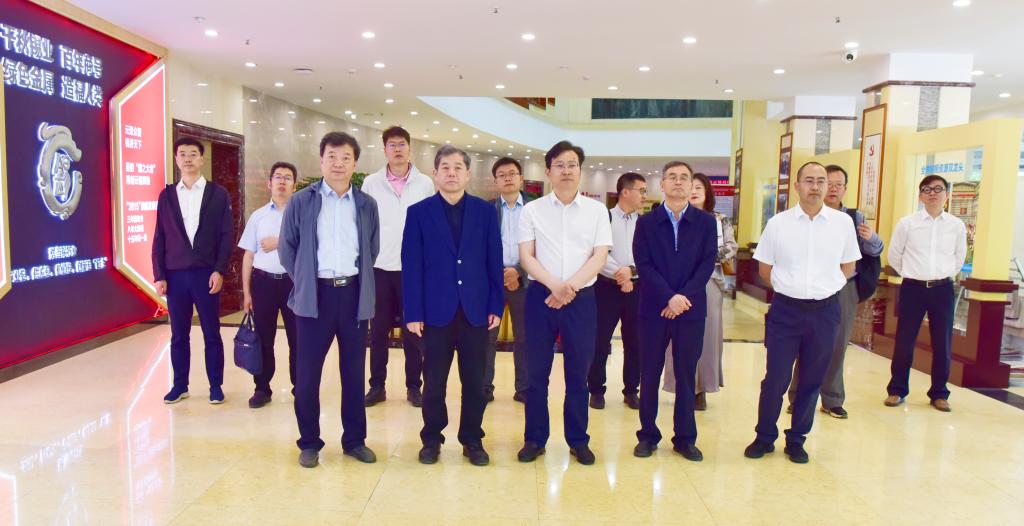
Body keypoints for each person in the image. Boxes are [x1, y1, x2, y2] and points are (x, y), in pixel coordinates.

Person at [743, 162, 860, 464]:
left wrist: (825, 287)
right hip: (786, 311)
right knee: (776, 378)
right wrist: (790, 288)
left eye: (821, 181)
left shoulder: (842, 224)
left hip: (825, 312)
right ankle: (764, 436)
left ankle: (797, 439)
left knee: (812, 378)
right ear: (797, 186)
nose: (816, 186)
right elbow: (765, 269)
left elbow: (849, 266)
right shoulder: (778, 224)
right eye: (809, 180)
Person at [278, 132, 380, 468]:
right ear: (321, 160)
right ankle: (309, 442)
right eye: (332, 157)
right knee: (307, 376)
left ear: (355, 163)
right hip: (314, 297)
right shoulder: (301, 201)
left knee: (353, 374)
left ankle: (354, 441)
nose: (338, 163)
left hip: (352, 296)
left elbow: (372, 248)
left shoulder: (366, 205)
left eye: (346, 157)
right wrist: (306, 280)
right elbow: (286, 248)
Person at [402, 146, 504, 466]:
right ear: (435, 174)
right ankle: (432, 438)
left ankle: (472, 439)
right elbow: (411, 265)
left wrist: (495, 304)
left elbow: (494, 261)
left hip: (475, 310)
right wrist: (413, 312)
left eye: (458, 167)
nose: (451, 173)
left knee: (475, 381)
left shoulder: (485, 213)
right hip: (434, 312)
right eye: (445, 167)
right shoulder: (419, 213)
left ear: (468, 174)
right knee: (434, 382)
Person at [516, 140, 612, 466]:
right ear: (548, 171)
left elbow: (600, 256)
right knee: (536, 374)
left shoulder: (597, 211)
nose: (566, 170)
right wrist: (555, 286)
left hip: (581, 300)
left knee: (578, 375)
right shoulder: (532, 210)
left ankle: (578, 440)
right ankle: (534, 439)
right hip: (540, 297)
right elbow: (526, 256)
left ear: (580, 170)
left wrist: (569, 287)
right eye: (559, 165)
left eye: (572, 164)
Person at [632, 162, 717, 462]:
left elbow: (706, 264)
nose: (678, 182)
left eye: (684, 178)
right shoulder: (646, 222)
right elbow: (643, 264)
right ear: (662, 185)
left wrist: (682, 298)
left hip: (690, 310)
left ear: (692, 184)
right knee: (649, 373)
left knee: (685, 375)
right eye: (672, 177)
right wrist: (669, 297)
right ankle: (647, 435)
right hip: (654, 309)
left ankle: (685, 438)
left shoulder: (706, 223)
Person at [786, 164, 884, 418]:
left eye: (839, 185)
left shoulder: (853, 218)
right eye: (828, 183)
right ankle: (798, 397)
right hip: (808, 288)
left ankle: (832, 398)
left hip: (844, 287)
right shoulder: (802, 216)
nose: (832, 189)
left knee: (838, 344)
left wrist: (871, 238)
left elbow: (873, 250)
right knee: (806, 343)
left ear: (844, 189)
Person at [153, 137, 234, 405]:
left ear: (201, 159)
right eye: (182, 154)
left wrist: (220, 270)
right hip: (175, 276)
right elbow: (159, 237)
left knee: (212, 332)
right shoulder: (166, 196)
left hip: (206, 274)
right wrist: (159, 275)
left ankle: (215, 386)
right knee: (179, 335)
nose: (187, 159)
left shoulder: (218, 194)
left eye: (192, 154)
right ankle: (180, 385)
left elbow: (226, 235)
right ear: (176, 159)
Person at [361, 126, 435, 407]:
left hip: (413, 270)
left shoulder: (424, 183)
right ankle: (377, 386)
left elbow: (430, 225)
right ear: (384, 150)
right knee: (378, 332)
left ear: (410, 148)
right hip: (379, 267)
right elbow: (364, 224)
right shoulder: (371, 183)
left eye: (402, 144)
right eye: (392, 145)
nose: (397, 149)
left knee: (413, 332)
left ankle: (414, 386)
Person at [885, 174, 967, 412]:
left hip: (942, 289)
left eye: (938, 189)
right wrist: (911, 274)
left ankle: (939, 393)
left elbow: (959, 257)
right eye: (927, 189)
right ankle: (897, 390)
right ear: (920, 195)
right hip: (913, 288)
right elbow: (894, 255)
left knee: (942, 343)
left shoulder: (956, 225)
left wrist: (942, 275)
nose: (933, 193)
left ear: (947, 195)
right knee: (904, 341)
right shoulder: (907, 223)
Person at [662, 172, 738, 412]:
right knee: (675, 333)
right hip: (677, 284)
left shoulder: (719, 219)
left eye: (699, 188)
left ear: (707, 194)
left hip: (710, 281)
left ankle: (701, 388)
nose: (694, 191)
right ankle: (678, 385)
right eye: (691, 186)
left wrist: (704, 256)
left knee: (707, 334)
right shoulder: (674, 217)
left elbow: (731, 247)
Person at [238, 162, 299, 408]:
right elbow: (248, 256)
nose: (282, 181)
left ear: (295, 185)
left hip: (294, 284)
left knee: (299, 339)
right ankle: (262, 388)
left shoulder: (301, 215)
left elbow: (309, 248)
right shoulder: (258, 216)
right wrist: (247, 293)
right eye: (278, 177)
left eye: (287, 177)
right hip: (263, 283)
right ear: (269, 183)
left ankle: (300, 387)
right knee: (264, 338)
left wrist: (280, 241)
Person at [588, 172, 646, 411]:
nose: (644, 195)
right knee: (600, 341)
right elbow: (597, 252)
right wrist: (620, 275)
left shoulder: (645, 223)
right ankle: (596, 390)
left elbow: (649, 255)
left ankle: (631, 390)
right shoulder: (604, 218)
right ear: (625, 192)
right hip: (605, 288)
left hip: (637, 288)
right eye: (641, 190)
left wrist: (630, 272)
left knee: (635, 342)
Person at [485, 157, 534, 403]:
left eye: (512, 173)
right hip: (492, 282)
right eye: (502, 175)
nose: (507, 178)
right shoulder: (486, 209)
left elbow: (543, 246)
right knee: (487, 336)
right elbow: (479, 247)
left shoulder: (536, 208)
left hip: (525, 281)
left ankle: (523, 388)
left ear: (521, 178)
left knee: (524, 337)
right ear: (495, 181)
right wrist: (502, 274)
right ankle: (485, 387)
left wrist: (518, 272)